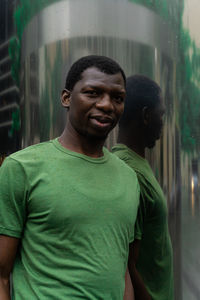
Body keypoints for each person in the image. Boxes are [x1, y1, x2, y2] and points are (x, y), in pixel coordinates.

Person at [0, 55, 140, 300]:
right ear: (66, 98)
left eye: (117, 98)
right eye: (93, 93)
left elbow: (122, 271)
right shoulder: (21, 168)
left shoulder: (129, 177)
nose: (107, 105)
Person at [112, 74, 174, 300]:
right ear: (147, 115)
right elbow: (126, 264)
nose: (163, 122)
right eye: (162, 114)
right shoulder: (130, 172)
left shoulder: (135, 163)